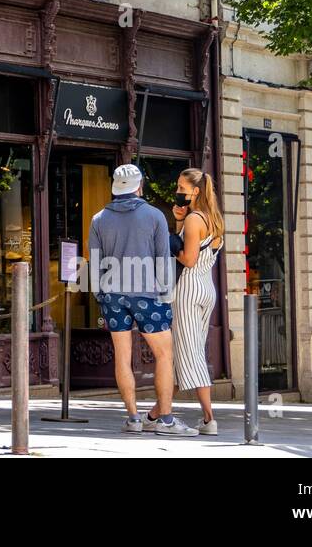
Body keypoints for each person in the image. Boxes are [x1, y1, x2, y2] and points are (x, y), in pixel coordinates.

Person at [89, 164, 197, 436]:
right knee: (164, 356)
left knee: (122, 358)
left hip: (113, 294)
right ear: (139, 187)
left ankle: (134, 418)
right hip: (148, 294)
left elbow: (94, 267)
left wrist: (101, 294)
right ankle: (167, 421)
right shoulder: (155, 216)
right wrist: (166, 294)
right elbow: (163, 259)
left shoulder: (98, 219)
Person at [162, 167, 224, 435]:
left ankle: (209, 418)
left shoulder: (194, 220)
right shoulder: (214, 219)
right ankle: (157, 413)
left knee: (192, 355)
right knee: (185, 352)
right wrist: (179, 221)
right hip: (206, 288)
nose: (178, 191)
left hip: (187, 289)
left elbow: (187, 259)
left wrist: (166, 246)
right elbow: (200, 251)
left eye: (181, 187)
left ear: (195, 191)